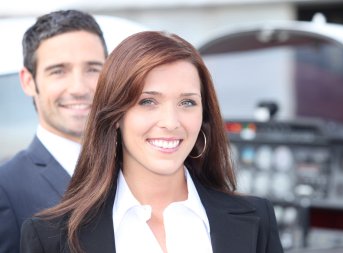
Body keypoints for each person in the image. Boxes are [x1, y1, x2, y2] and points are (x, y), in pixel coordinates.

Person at [20, 31, 283, 253]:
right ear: (115, 116)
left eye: (187, 102)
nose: (171, 122)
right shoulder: (51, 237)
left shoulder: (256, 218)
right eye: (148, 101)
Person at [0, 10, 107, 253]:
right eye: (58, 71)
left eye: (92, 69)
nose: (79, 88)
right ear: (28, 81)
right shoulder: (5, 189)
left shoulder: (138, 169)